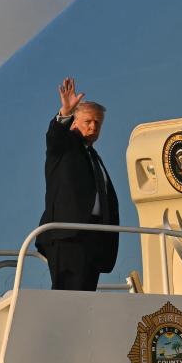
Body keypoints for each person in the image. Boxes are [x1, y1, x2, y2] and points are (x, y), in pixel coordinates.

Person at [36, 77, 120, 290]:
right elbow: (54, 137)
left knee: (85, 299)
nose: (93, 126)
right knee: (69, 297)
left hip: (94, 237)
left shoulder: (92, 155)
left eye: (97, 123)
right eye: (88, 121)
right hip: (69, 236)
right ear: (73, 122)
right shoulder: (65, 147)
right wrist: (65, 112)